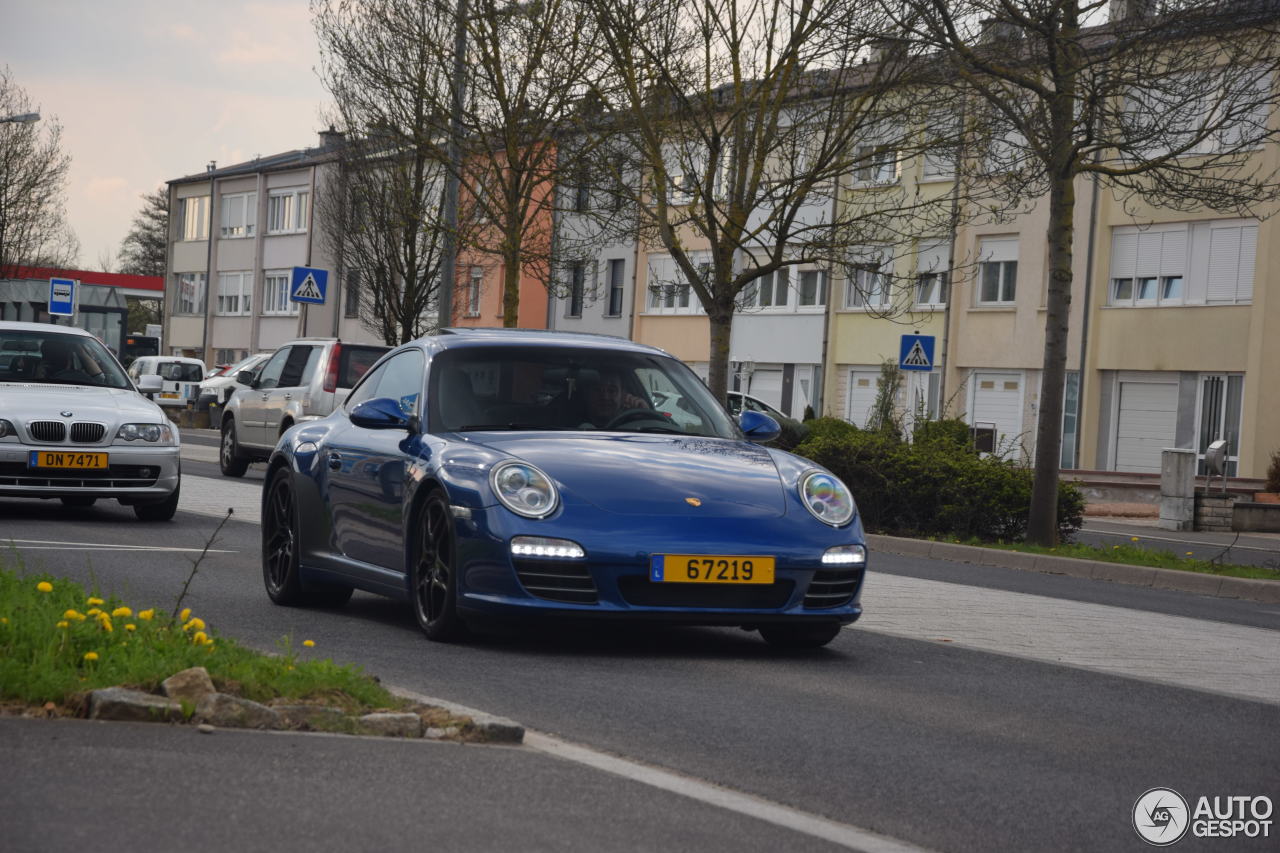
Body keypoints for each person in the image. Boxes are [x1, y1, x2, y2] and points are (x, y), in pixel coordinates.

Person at [580, 370, 647, 428]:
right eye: (598, 390)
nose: (605, 397)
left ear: (623, 395)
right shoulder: (571, 423)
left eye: (611, 391)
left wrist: (644, 417)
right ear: (587, 393)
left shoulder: (633, 423)